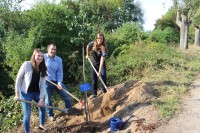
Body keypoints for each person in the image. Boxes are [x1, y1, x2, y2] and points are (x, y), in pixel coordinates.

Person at [14, 48, 47, 133]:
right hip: (26, 93)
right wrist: (16, 94)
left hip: (37, 93)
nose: (40, 57)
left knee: (43, 108)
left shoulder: (43, 68)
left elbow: (43, 85)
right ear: (34, 56)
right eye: (38, 56)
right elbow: (18, 79)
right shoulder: (27, 64)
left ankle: (41, 125)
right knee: (27, 114)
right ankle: (27, 132)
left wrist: (41, 99)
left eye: (41, 56)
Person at [44, 43, 71, 121]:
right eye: (52, 49)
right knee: (48, 100)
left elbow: (60, 72)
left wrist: (59, 82)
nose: (53, 51)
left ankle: (69, 109)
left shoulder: (59, 59)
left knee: (66, 95)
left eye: (55, 49)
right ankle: (50, 115)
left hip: (56, 81)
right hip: (46, 82)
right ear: (48, 49)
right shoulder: (43, 57)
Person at [86, 33, 107, 98]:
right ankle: (94, 94)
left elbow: (102, 59)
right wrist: (87, 54)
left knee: (103, 77)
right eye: (99, 38)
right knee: (94, 80)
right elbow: (87, 47)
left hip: (101, 64)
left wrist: (99, 71)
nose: (100, 40)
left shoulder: (104, 47)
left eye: (101, 38)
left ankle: (104, 92)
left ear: (103, 39)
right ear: (96, 38)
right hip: (93, 64)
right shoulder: (92, 44)